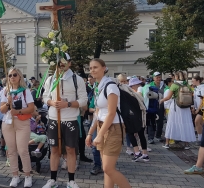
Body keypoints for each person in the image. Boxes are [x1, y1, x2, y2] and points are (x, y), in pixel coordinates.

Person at [42, 53, 87, 188]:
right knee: (54, 149)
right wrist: (51, 102)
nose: (61, 64)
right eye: (58, 61)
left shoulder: (77, 79)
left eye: (64, 61)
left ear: (69, 63)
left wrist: (67, 104)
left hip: (71, 119)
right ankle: (52, 180)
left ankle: (71, 180)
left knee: (70, 149)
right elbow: (45, 97)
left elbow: (83, 100)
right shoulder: (50, 79)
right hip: (54, 119)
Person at [86, 59, 131, 188]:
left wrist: (99, 134)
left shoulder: (110, 86)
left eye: (95, 67)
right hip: (102, 126)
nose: (92, 70)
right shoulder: (98, 86)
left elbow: (111, 113)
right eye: (90, 68)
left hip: (113, 128)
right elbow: (97, 113)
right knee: (107, 169)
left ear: (104, 68)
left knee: (107, 168)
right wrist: (90, 133)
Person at [0, 67, 34, 187]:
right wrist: (8, 103)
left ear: (19, 76)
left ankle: (27, 176)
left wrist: (18, 111)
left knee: (22, 150)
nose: (12, 77)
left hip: (22, 123)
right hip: (7, 123)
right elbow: (2, 109)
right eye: (10, 75)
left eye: (15, 75)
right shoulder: (5, 90)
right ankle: (15, 176)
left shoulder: (25, 91)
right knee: (11, 150)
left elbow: (31, 108)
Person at [160, 71, 196, 149]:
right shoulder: (186, 84)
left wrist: (162, 100)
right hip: (185, 107)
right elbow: (192, 93)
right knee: (185, 124)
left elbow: (168, 97)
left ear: (176, 77)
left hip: (176, 107)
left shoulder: (174, 85)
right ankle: (186, 144)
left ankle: (167, 143)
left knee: (171, 123)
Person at [128, 77, 150, 162]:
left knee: (130, 133)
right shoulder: (138, 91)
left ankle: (137, 153)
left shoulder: (135, 92)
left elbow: (137, 101)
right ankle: (145, 154)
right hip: (142, 116)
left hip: (135, 116)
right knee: (141, 135)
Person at [142, 72, 166, 144]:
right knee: (151, 122)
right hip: (152, 106)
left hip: (161, 106)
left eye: (159, 77)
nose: (158, 79)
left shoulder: (164, 85)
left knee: (160, 122)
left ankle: (158, 136)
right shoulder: (149, 85)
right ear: (153, 78)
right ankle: (150, 138)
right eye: (156, 77)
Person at [192, 75, 204, 145]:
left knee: (197, 122)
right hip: (198, 108)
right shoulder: (196, 88)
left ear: (198, 81)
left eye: (193, 81)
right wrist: (194, 107)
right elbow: (195, 99)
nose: (192, 82)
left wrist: (198, 109)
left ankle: (200, 139)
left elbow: (202, 99)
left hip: (203, 108)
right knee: (202, 124)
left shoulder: (202, 88)